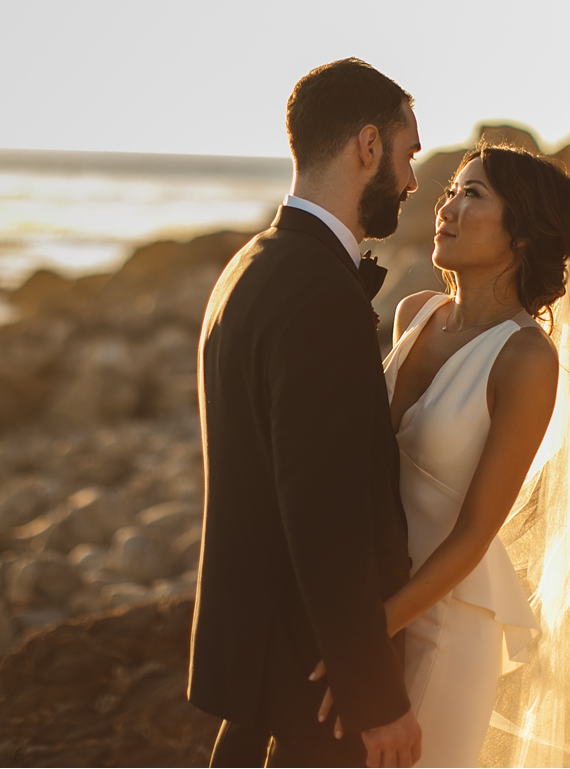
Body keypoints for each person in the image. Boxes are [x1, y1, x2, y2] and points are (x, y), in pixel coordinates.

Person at [312, 144, 570, 767]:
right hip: (372, 594)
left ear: (523, 233)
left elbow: (478, 530)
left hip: (443, 622)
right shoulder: (413, 314)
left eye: (472, 194)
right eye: (450, 192)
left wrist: (370, 635)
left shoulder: (527, 358)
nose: (446, 207)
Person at [188, 57, 424, 767]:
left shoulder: (250, 265)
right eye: (409, 153)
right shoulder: (321, 293)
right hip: (310, 682)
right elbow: (324, 512)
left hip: (259, 667)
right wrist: (373, 693)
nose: (413, 180)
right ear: (368, 147)